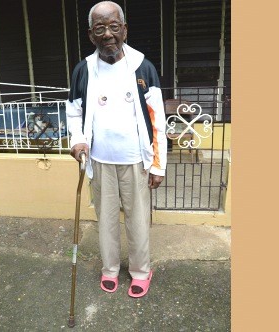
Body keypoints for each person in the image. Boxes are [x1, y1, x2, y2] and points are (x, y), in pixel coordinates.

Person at [66, 1, 167, 298]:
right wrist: (77, 140)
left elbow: (157, 120)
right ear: (90, 34)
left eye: (113, 27)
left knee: (137, 220)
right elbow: (74, 112)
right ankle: (109, 269)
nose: (107, 34)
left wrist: (158, 166)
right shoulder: (83, 70)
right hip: (99, 161)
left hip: (136, 162)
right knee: (106, 220)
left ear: (124, 29)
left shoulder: (142, 67)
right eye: (100, 28)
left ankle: (140, 271)